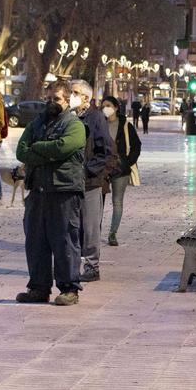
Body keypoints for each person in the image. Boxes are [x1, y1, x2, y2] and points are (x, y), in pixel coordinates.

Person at [12, 79, 86, 306]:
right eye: (49, 98)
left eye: (57, 99)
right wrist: (46, 151)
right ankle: (38, 287)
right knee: (36, 241)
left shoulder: (74, 125)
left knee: (64, 241)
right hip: (38, 191)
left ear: (66, 100)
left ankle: (69, 289)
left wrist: (38, 148)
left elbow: (64, 147)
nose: (52, 103)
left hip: (63, 191)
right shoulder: (37, 123)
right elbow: (21, 151)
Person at [71, 81, 117, 282]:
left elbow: (107, 151)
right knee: (70, 225)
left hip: (89, 181)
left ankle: (92, 266)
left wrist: (88, 171)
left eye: (75, 93)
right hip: (68, 181)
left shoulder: (95, 118)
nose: (71, 96)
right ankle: (71, 264)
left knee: (89, 226)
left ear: (86, 98)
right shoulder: (68, 118)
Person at [99, 93, 140, 249]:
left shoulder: (125, 126)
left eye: (108, 106)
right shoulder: (98, 123)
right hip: (101, 168)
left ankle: (112, 234)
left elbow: (136, 146)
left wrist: (128, 163)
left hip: (120, 169)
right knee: (98, 202)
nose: (106, 109)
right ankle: (96, 232)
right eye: (103, 106)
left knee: (117, 201)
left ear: (116, 107)